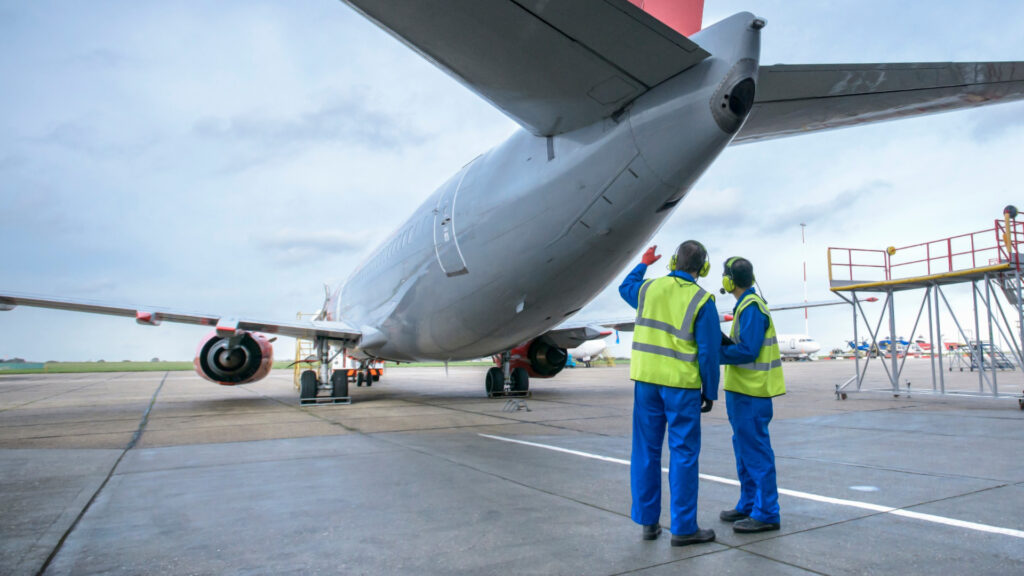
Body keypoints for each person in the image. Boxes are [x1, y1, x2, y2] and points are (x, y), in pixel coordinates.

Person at [619, 241, 719, 546]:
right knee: (684, 455)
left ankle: (649, 523)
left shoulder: (649, 289)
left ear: (674, 261)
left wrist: (644, 262)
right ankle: (684, 528)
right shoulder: (702, 300)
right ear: (702, 268)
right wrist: (710, 391)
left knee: (646, 452)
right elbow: (709, 353)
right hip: (681, 387)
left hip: (646, 383)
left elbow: (626, 287)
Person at [717, 257, 785, 533]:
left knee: (756, 452)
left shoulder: (752, 307)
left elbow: (748, 351)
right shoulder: (744, 306)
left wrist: (714, 353)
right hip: (741, 391)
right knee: (744, 451)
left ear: (729, 281)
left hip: (752, 393)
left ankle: (767, 512)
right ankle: (748, 503)